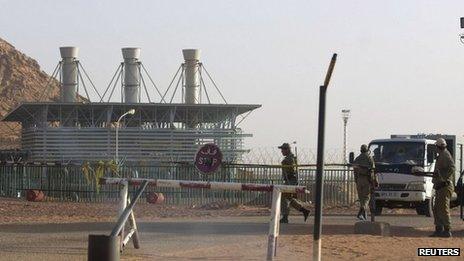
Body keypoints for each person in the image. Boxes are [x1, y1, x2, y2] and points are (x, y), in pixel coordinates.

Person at [278, 143, 310, 224]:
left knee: (284, 197)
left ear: (287, 149)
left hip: (290, 181)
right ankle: (304, 210)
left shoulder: (289, 159)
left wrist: (289, 181)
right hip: (291, 181)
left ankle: (285, 217)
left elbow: (292, 171)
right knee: (288, 198)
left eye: (283, 149)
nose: (282, 151)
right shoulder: (291, 158)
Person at [430, 138, 455, 238]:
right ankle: (439, 229)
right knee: (436, 208)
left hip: (445, 186)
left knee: (443, 208)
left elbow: (452, 168)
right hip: (440, 186)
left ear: (438, 147)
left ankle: (447, 230)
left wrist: (443, 177)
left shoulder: (445, 155)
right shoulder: (441, 155)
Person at [352, 144, 377, 221]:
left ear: (361, 150)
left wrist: (356, 180)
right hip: (367, 179)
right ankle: (362, 211)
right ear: (367, 150)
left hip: (359, 179)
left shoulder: (357, 159)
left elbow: (355, 171)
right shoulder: (369, 158)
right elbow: (372, 171)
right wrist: (373, 181)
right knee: (367, 197)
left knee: (361, 198)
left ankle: (363, 216)